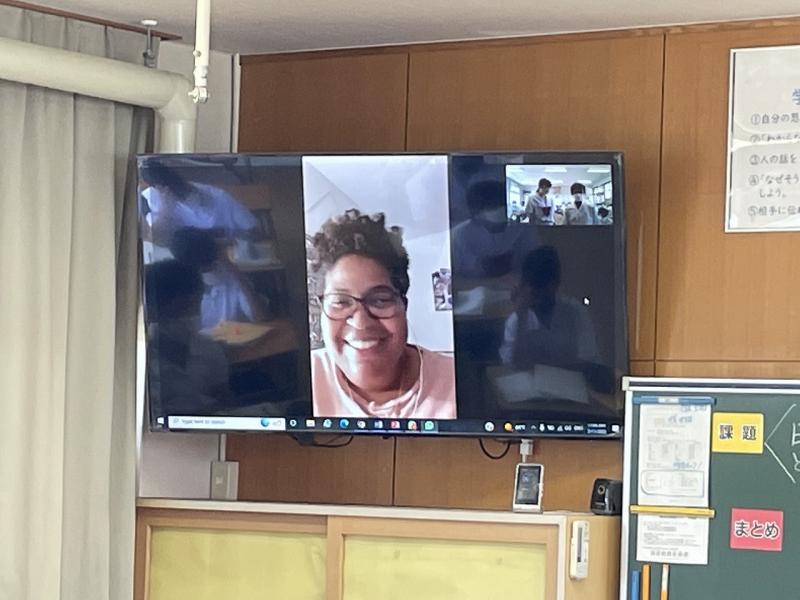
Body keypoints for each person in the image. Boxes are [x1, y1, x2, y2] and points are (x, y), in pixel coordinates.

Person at [308, 209, 456, 419]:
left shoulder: (455, 380)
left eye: (380, 300)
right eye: (341, 302)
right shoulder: (302, 379)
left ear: (404, 306)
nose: (361, 322)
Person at [144, 260, 230, 415]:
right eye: (180, 308)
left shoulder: (210, 349)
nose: (189, 314)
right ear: (154, 309)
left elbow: (223, 399)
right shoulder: (139, 357)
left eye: (194, 305)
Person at [499, 245, 599, 369]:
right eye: (533, 291)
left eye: (542, 289)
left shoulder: (574, 311)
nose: (536, 297)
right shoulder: (517, 319)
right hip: (531, 380)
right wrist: (522, 319)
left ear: (555, 285)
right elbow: (513, 366)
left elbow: (588, 359)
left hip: (571, 378)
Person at [140, 164, 259, 260]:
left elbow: (253, 229)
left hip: (223, 254)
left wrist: (229, 241)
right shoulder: (153, 200)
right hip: (188, 259)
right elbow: (157, 239)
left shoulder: (220, 198)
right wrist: (165, 211)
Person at [170, 227, 269, 330]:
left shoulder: (232, 277)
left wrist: (236, 273)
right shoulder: (179, 287)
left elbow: (261, 318)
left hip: (231, 338)